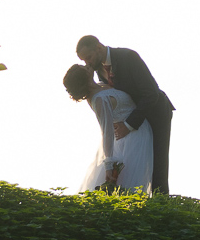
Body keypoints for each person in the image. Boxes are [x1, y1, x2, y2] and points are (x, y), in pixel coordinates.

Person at [75, 36, 174, 196]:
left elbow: (151, 93)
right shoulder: (99, 70)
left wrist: (128, 125)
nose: (88, 63)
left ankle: (162, 210)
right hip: (132, 121)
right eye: (84, 60)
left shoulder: (128, 57)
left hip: (156, 113)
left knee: (158, 167)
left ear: (99, 47)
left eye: (88, 57)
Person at [63, 63, 154, 194]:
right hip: (132, 139)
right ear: (83, 77)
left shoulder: (100, 86)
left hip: (137, 131)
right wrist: (109, 165)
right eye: (84, 68)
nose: (87, 66)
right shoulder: (99, 99)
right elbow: (106, 131)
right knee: (131, 186)